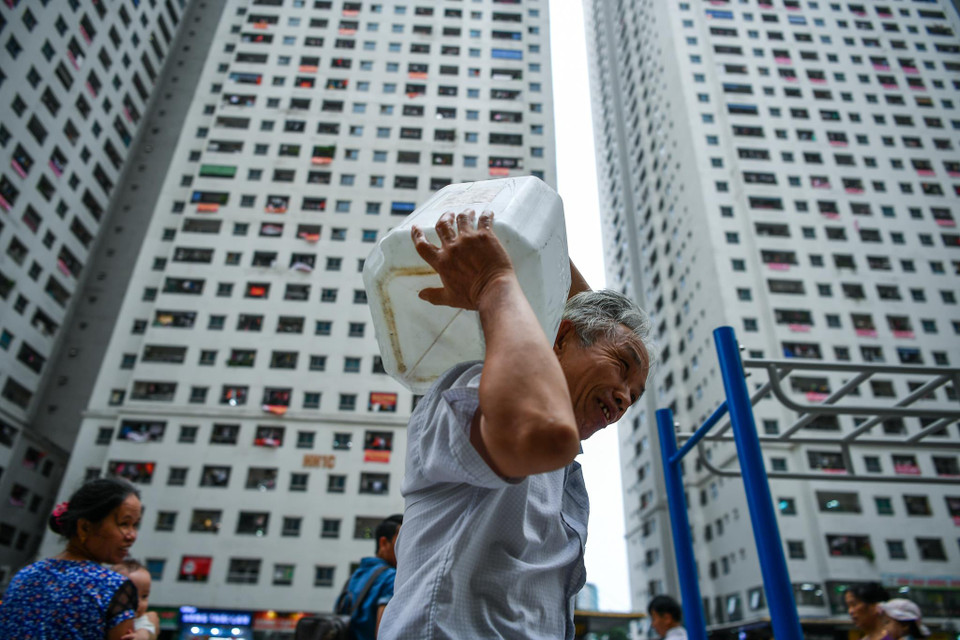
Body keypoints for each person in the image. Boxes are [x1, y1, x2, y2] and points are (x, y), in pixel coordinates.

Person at [379, 210, 653, 639]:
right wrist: (493, 282)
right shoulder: (472, 392)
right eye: (621, 367)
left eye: (634, 397)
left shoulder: (561, 472)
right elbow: (535, 425)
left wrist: (536, 240)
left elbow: (583, 322)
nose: (623, 399)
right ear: (559, 339)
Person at [0, 477, 142, 639]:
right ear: (85, 527)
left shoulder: (24, 575)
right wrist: (148, 632)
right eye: (124, 524)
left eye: (135, 525)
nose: (132, 535)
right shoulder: (112, 586)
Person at [337, 514, 403, 640]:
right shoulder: (391, 578)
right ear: (384, 543)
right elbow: (384, 633)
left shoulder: (355, 577)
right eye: (401, 542)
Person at [113, 559, 161, 640]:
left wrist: (140, 636)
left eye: (144, 596)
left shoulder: (140, 620)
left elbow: (145, 631)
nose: (138, 603)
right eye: (131, 596)